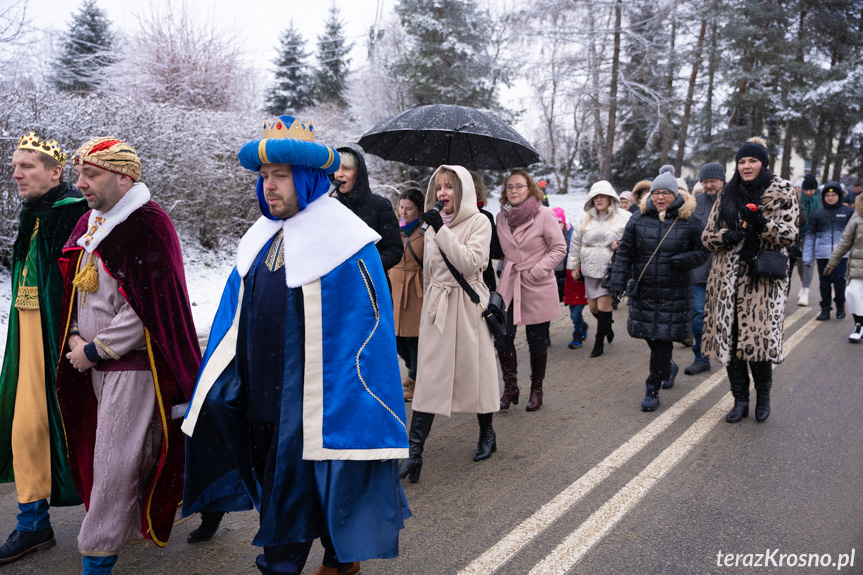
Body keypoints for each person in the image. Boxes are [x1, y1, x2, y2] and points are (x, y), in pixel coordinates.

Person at [182, 116, 410, 575]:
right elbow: (233, 320)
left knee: (295, 495)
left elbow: (364, 333)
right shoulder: (261, 237)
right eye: (264, 177)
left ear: (307, 178)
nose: (268, 186)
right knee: (291, 487)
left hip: (313, 402)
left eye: (280, 176)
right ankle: (341, 561)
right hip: (262, 397)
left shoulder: (347, 243)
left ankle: (288, 563)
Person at [53, 137, 201, 573]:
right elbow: (79, 291)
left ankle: (96, 559)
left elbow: (151, 306)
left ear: (124, 177)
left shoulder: (146, 224)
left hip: (133, 369)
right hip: (95, 366)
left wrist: (97, 349)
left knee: (116, 466)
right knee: (126, 456)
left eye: (91, 175)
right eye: (79, 174)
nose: (80, 183)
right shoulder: (92, 222)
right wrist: (78, 337)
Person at [0, 133, 88, 565]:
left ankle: (117, 517)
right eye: (15, 166)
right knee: (27, 429)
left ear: (55, 173)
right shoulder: (32, 214)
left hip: (62, 341)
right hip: (29, 338)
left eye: (27, 166)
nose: (16, 174)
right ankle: (34, 523)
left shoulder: (74, 215)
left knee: (84, 428)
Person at [399, 165, 498, 482]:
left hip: (467, 307)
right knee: (429, 377)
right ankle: (415, 454)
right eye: (439, 186)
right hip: (438, 307)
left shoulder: (479, 222)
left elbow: (471, 263)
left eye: (450, 186)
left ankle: (487, 432)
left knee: (476, 373)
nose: (443, 192)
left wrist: (441, 232)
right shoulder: (431, 225)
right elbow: (429, 270)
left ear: (464, 190)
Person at [701, 137, 798, 423]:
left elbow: (790, 235)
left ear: (763, 163)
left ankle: (763, 397)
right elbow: (707, 236)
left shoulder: (782, 192)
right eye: (742, 161)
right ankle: (740, 399)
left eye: (752, 160)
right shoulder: (726, 193)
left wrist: (763, 225)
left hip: (762, 281)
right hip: (726, 280)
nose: (746, 166)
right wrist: (725, 236)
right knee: (731, 343)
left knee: (758, 343)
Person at [609, 165, 707, 411]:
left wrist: (685, 261)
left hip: (674, 293)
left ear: (675, 195)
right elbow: (625, 254)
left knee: (662, 340)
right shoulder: (637, 219)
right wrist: (617, 283)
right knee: (651, 336)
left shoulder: (689, 221)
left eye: (666, 192)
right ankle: (668, 366)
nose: (660, 197)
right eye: (656, 192)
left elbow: (704, 251)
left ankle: (652, 388)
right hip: (645, 290)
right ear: (649, 195)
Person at [495, 170, 567, 411]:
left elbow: (559, 248)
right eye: (509, 187)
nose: (514, 191)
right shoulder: (500, 218)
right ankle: (510, 387)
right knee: (503, 337)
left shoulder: (544, 214)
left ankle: (537, 389)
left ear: (530, 189)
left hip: (536, 283)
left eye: (519, 186)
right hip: (509, 283)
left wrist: (537, 271)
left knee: (537, 340)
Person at [566, 180, 631, 357]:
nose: (599, 199)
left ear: (610, 197)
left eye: (603, 196)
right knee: (594, 307)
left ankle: (598, 342)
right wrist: (573, 266)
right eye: (596, 197)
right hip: (589, 270)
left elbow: (633, 240)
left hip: (611, 270)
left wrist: (621, 245)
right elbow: (576, 243)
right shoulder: (584, 219)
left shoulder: (624, 217)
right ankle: (607, 327)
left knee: (604, 304)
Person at [333, 147, 404, 272]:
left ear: (358, 173)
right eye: (336, 169)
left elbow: (395, 250)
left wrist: (367, 267)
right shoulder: (331, 206)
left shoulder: (380, 205)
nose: (339, 174)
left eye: (346, 168)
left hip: (370, 285)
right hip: (338, 286)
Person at [685, 162, 725, 376]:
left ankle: (729, 354)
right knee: (698, 314)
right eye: (705, 181)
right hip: (699, 271)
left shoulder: (732, 201)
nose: (709, 185)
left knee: (725, 316)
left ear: (722, 181)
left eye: (713, 181)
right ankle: (700, 357)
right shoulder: (694, 204)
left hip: (726, 271)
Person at [390, 188, 426, 401]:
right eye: (401, 207)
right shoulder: (395, 228)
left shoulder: (425, 231)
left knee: (413, 338)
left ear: (418, 210)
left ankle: (416, 380)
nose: (403, 212)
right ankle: (413, 369)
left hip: (415, 288)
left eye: (409, 208)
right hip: (394, 286)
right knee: (395, 337)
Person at [804, 181, 855, 321]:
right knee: (824, 283)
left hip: (841, 255)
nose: (830, 197)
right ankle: (825, 309)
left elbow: (857, 233)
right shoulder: (818, 214)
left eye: (833, 195)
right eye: (827, 195)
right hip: (823, 255)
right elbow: (810, 236)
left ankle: (840, 305)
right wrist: (807, 258)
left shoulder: (848, 212)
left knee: (839, 281)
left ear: (839, 196)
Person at [824, 194, 863, 341]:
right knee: (852, 293)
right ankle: (859, 325)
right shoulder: (857, 215)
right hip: (858, 265)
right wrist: (832, 262)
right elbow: (845, 241)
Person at [554, 207, 589, 349]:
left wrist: (579, 271)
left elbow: (582, 257)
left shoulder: (573, 237)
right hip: (566, 283)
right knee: (573, 313)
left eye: (558, 222)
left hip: (578, 282)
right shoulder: (549, 235)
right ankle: (583, 326)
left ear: (563, 222)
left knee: (575, 315)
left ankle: (577, 336)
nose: (556, 225)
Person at [789, 174, 820, 306]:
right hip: (796, 236)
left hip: (811, 237)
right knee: (798, 266)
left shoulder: (819, 201)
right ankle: (803, 284)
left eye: (811, 190)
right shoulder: (797, 200)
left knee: (808, 264)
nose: (808, 192)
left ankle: (805, 291)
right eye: (806, 189)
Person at [472, 171, 504, 292]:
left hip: (453, 282)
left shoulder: (445, 217)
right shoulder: (485, 216)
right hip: (483, 281)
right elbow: (495, 251)